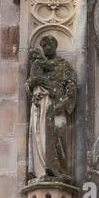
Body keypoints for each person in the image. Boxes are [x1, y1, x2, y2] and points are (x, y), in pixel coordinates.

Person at [26, 35, 78, 181]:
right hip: (41, 107)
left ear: (55, 46)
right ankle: (42, 170)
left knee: (58, 135)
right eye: (44, 46)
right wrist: (33, 83)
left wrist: (63, 104)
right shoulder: (38, 65)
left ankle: (60, 171)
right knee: (40, 135)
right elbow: (29, 87)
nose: (47, 48)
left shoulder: (64, 66)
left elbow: (72, 88)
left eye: (50, 45)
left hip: (58, 107)